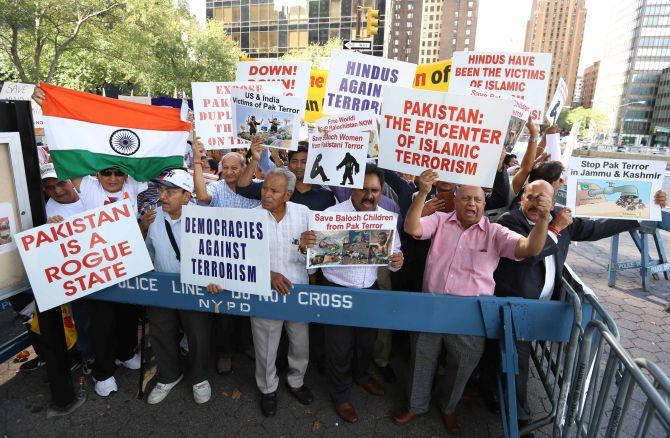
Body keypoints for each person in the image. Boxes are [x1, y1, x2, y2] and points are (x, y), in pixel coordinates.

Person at [492, 180, 668, 429]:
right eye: (531, 197)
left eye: (543, 199)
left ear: (553, 203)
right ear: (522, 199)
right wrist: (553, 227)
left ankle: (536, 404)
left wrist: (643, 210)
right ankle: (518, 419)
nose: (536, 203)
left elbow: (597, 228)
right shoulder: (509, 222)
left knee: (557, 355)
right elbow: (530, 255)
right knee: (516, 362)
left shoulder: (561, 219)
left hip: (547, 307)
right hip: (514, 306)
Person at [393, 169, 552, 433]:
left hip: (471, 315)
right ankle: (415, 405)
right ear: (455, 201)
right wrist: (422, 193)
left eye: (477, 200)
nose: (472, 204)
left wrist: (543, 220)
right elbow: (412, 228)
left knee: (462, 365)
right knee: (422, 358)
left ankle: (449, 407)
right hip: (432, 306)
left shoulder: (495, 232)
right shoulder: (441, 220)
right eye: (466, 198)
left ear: (484, 203)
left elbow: (529, 248)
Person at [301, 164, 404, 424]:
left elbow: (392, 260)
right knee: (339, 347)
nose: (369, 195)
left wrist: (397, 260)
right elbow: (313, 256)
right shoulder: (329, 215)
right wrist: (306, 247)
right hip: (337, 289)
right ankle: (341, 395)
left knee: (366, 342)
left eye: (375, 190)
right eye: (363, 189)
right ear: (352, 189)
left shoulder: (385, 218)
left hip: (369, 290)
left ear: (381, 192)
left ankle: (361, 376)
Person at [207, 168, 315, 417]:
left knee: (300, 343)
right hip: (262, 291)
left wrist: (304, 248)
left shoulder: (305, 215)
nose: (266, 194)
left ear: (287, 194)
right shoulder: (250, 217)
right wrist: (269, 276)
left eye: (274, 191)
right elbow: (240, 259)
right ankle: (268, 388)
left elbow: (317, 257)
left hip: (298, 291)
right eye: (265, 188)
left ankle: (296, 381)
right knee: (265, 345)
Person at [140, 169, 213, 405]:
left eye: (170, 192)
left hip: (194, 288)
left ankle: (199, 377)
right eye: (161, 190)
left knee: (198, 334)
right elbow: (147, 252)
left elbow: (218, 256)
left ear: (186, 195)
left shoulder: (205, 218)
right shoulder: (152, 218)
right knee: (161, 332)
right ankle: (169, 375)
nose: (163, 196)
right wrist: (141, 229)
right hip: (162, 286)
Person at [191, 137, 260, 375]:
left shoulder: (257, 186)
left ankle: (246, 344)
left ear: (244, 169)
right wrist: (198, 160)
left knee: (248, 307)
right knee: (224, 310)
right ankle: (225, 353)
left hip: (251, 259)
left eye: (235, 168)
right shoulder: (217, 188)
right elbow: (201, 196)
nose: (230, 172)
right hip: (223, 258)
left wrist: (257, 156)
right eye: (226, 168)